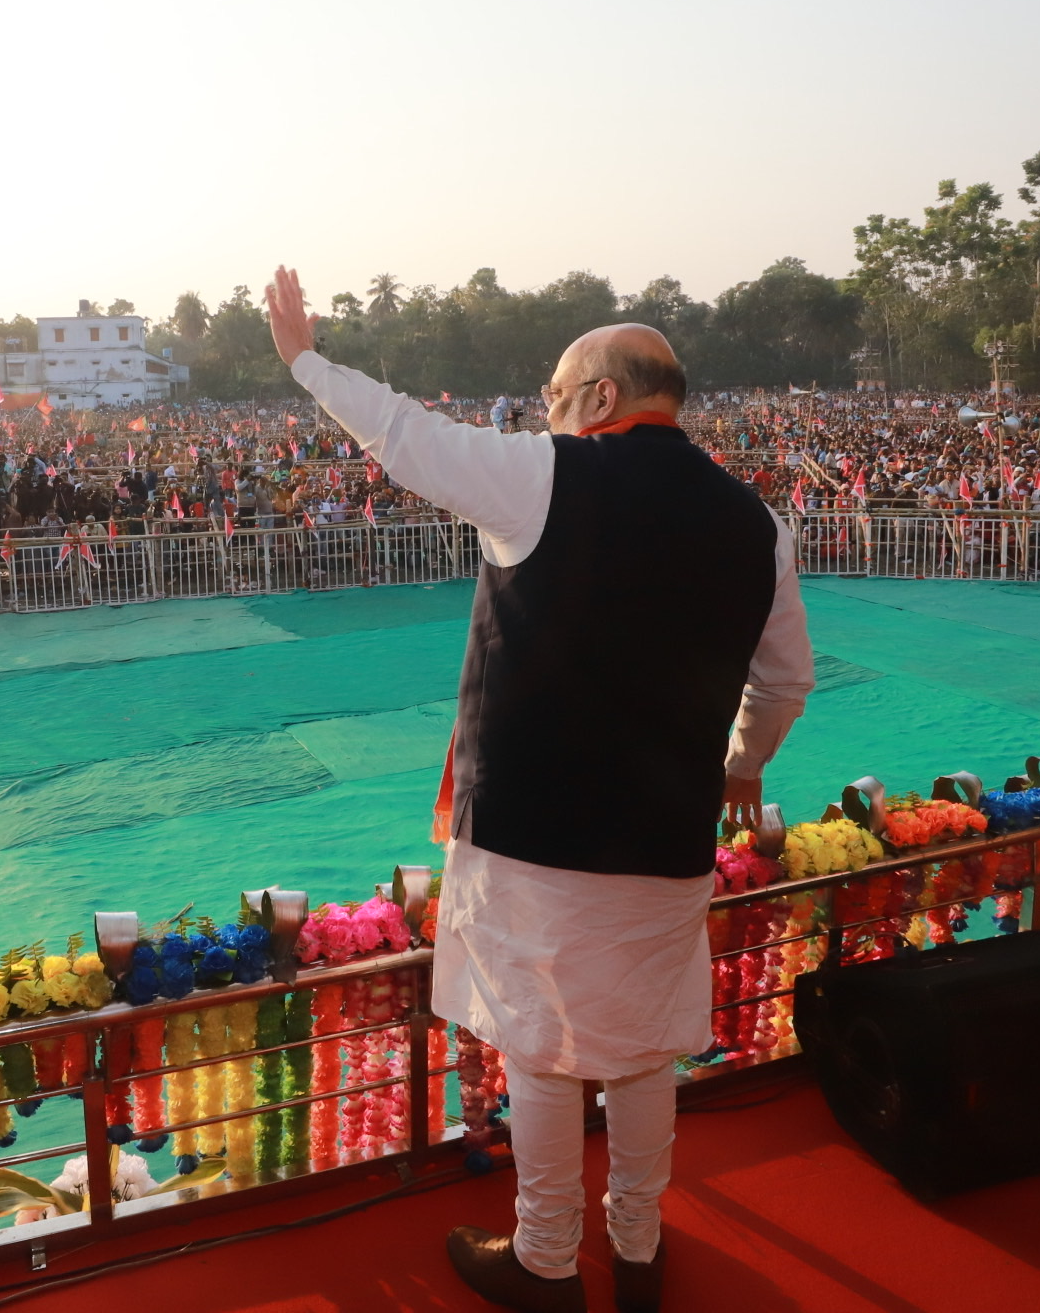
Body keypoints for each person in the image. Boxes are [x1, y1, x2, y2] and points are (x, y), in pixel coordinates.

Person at [262, 266, 812, 1313]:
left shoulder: (547, 475)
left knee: (543, 1046)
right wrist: (742, 764)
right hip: (666, 836)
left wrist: (305, 361)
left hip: (532, 835)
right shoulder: (759, 524)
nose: (547, 412)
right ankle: (639, 1246)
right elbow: (785, 679)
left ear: (602, 398)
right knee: (646, 1044)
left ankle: (546, 1259)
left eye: (557, 394)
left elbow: (406, 436)